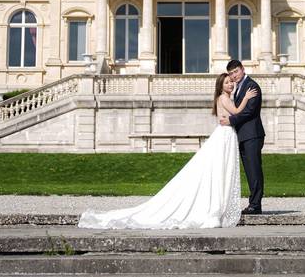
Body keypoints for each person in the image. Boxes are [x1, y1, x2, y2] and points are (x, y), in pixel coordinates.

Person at [77, 73, 256, 229]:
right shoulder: (224, 98)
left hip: (226, 134)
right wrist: (247, 98)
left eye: (230, 82)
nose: (230, 84)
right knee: (218, 172)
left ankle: (217, 207)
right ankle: (214, 209)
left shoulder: (225, 97)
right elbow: (237, 111)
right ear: (220, 86)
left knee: (220, 172)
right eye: (226, 82)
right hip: (224, 136)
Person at [218, 58, 265, 215]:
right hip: (243, 136)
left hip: (252, 134)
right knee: (250, 171)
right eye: (231, 74)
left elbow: (249, 111)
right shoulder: (237, 88)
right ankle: (253, 203)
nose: (234, 76)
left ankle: (255, 205)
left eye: (236, 72)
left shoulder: (252, 86)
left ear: (242, 69)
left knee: (254, 169)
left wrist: (230, 120)